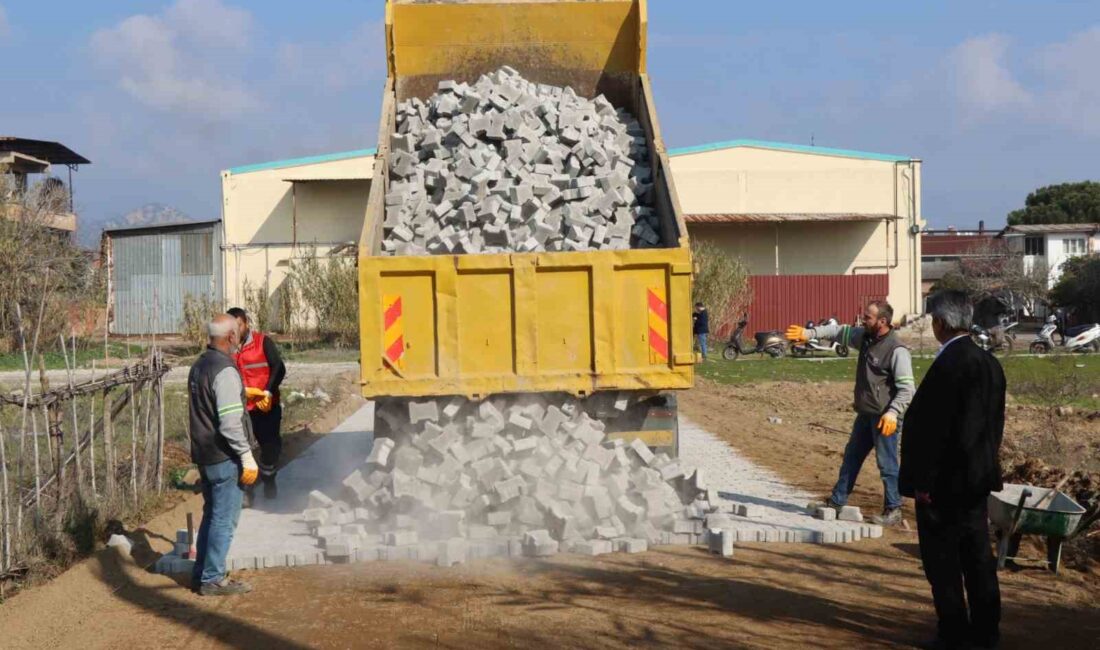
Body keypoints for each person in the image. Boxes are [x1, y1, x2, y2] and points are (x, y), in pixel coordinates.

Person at [900, 290, 1005, 650]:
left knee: (943, 564)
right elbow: (992, 426)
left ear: (941, 323)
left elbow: (935, 432)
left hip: (944, 486)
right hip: (977, 479)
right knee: (978, 558)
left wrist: (924, 482)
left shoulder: (949, 365)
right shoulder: (989, 363)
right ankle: (986, 632)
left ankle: (954, 632)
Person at [785, 300, 915, 526]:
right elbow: (837, 331)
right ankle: (836, 502)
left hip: (885, 418)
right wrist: (809, 333)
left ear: (882, 322)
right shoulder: (864, 336)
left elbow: (907, 389)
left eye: (868, 317)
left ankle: (893, 509)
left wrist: (893, 413)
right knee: (852, 457)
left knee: (887, 464)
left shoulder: (897, 350)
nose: (863, 320)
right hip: (866, 413)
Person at [189, 314, 258, 596]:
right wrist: (246, 455)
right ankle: (213, 579)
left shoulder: (200, 365)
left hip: (205, 454)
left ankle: (202, 573)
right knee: (224, 519)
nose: (241, 336)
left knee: (211, 515)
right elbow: (230, 424)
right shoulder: (225, 370)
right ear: (229, 336)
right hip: (223, 456)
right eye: (238, 331)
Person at [227, 307, 287, 505]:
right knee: (242, 450)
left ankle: (269, 477)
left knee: (269, 449)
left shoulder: (263, 342)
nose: (235, 329)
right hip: (242, 410)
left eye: (239, 325)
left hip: (266, 408)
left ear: (246, 324)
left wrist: (269, 391)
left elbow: (278, 367)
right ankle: (247, 491)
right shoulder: (227, 347)